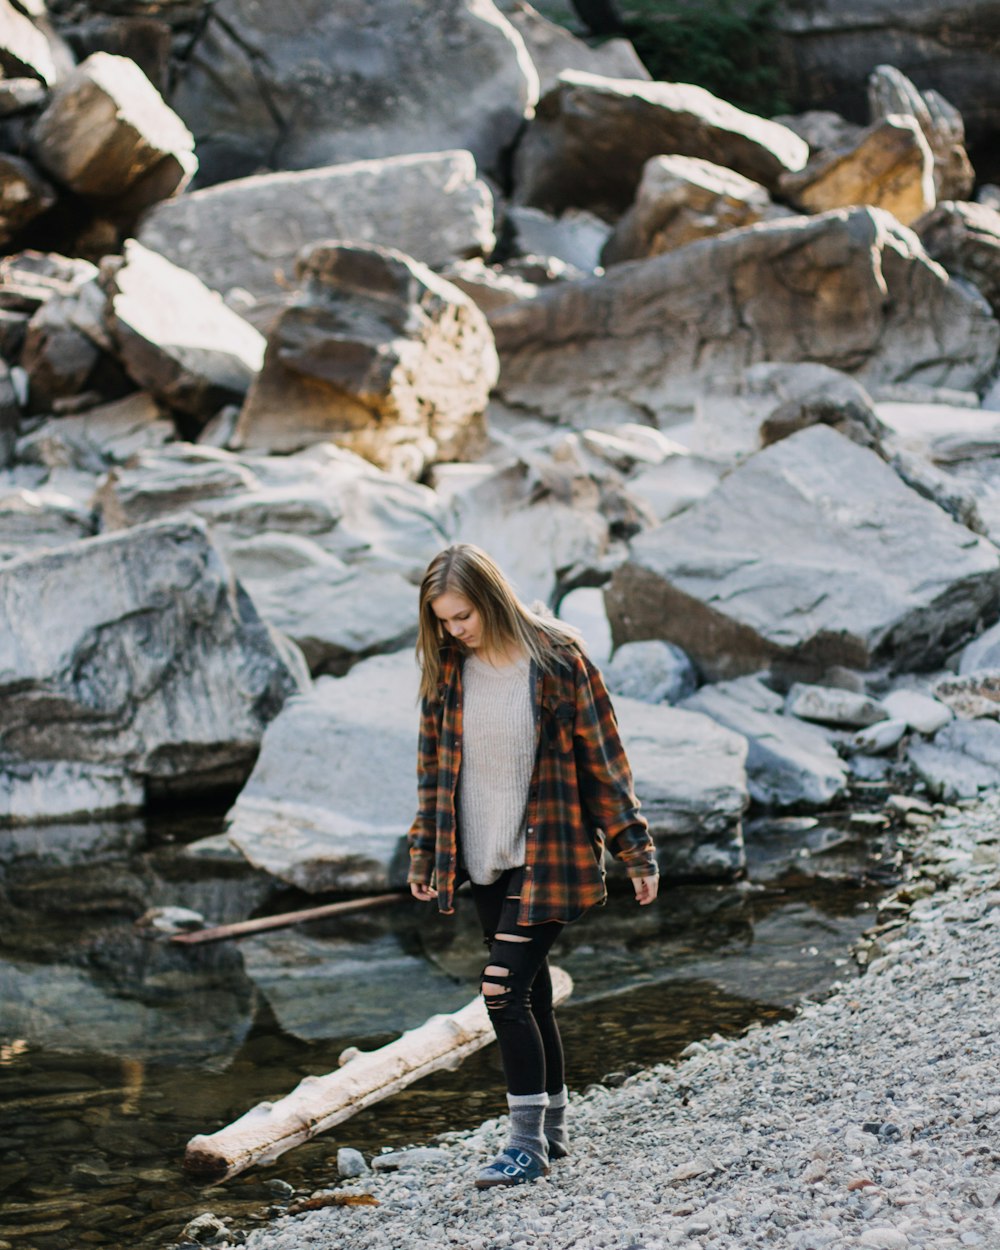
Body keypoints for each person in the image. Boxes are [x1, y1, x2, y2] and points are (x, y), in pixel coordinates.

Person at [407, 543, 659, 1189]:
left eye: (462, 616)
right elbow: (434, 772)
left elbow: (605, 760)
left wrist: (634, 848)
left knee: (500, 991)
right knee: (531, 992)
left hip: (549, 853)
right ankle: (552, 1130)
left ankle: (524, 1148)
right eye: (442, 621)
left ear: (491, 600)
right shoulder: (449, 672)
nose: (453, 631)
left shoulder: (557, 660)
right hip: (483, 855)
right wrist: (425, 851)